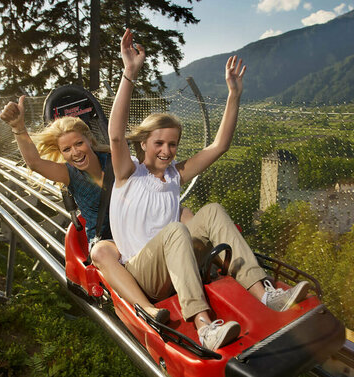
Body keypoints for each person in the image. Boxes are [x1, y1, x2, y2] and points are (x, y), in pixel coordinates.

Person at [107, 29, 309, 352]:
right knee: (175, 229)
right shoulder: (129, 173)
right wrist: (129, 73)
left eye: (172, 144)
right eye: (159, 142)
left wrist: (234, 95)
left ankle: (265, 293)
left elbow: (219, 145)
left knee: (211, 209)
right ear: (144, 143)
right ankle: (204, 326)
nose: (166, 150)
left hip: (178, 260)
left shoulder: (175, 175)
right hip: (144, 271)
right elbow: (116, 136)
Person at [0, 97, 181, 323]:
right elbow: (35, 163)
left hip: (139, 230)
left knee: (183, 213)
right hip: (109, 239)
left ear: (90, 141)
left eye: (79, 144)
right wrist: (19, 128)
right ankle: (147, 310)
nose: (75, 152)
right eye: (66, 149)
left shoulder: (117, 161)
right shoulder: (70, 174)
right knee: (100, 253)